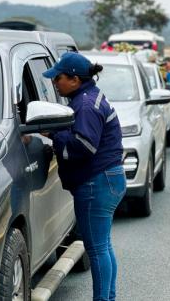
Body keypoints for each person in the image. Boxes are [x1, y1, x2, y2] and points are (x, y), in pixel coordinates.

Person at [42, 52, 126, 301]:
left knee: (98, 249)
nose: (54, 83)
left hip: (97, 182)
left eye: (58, 78)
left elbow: (84, 147)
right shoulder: (90, 97)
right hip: (109, 178)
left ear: (75, 79)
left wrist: (52, 135)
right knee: (104, 246)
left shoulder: (86, 105)